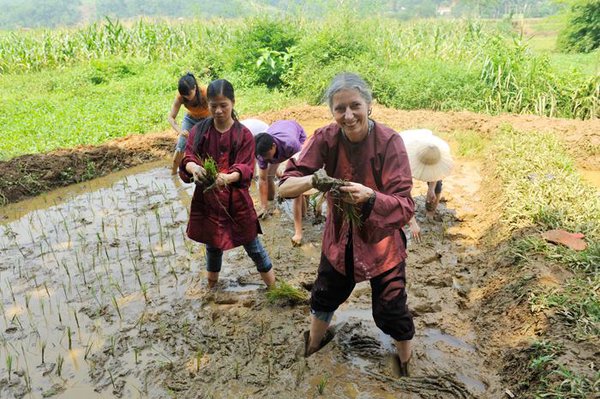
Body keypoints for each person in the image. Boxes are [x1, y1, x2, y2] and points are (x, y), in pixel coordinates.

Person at [279, 73, 415, 376]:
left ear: (369, 105)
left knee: (391, 311)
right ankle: (313, 345)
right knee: (324, 295)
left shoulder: (390, 142)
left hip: (382, 245)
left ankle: (405, 362)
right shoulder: (325, 137)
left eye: (355, 106)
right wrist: (314, 179)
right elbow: (285, 185)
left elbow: (405, 206)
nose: (348, 115)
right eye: (340, 108)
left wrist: (370, 197)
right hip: (339, 240)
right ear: (332, 111)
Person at [179, 79, 275, 289]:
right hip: (208, 202)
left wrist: (227, 177)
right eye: (213, 106)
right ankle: (212, 289)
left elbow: (246, 168)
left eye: (224, 105)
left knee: (253, 245)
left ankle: (274, 288)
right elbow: (188, 157)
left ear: (233, 102)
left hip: (237, 204)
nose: (219, 111)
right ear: (208, 105)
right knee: (212, 247)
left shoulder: (244, 135)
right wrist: (194, 169)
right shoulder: (199, 132)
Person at [254, 120, 307, 245]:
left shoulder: (291, 144)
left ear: (273, 146)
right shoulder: (262, 154)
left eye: (267, 156)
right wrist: (264, 206)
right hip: (278, 131)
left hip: (296, 134)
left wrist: (298, 233)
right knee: (268, 177)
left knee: (299, 189)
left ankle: (300, 224)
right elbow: (262, 179)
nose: (265, 159)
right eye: (263, 157)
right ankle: (277, 174)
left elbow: (300, 178)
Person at [401, 132, 453, 243]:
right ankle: (403, 213)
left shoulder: (436, 152)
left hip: (427, 151)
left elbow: (435, 173)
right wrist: (411, 220)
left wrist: (431, 190)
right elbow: (402, 188)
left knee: (437, 185)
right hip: (409, 153)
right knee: (402, 188)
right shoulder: (403, 155)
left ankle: (430, 212)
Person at [168, 73, 210, 175]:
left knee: (208, 144)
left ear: (195, 88)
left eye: (189, 94)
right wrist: (180, 131)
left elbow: (216, 108)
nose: (187, 97)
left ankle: (208, 170)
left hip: (207, 119)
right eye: (184, 95)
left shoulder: (205, 93)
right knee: (181, 145)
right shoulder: (180, 97)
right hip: (191, 119)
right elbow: (170, 117)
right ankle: (173, 173)